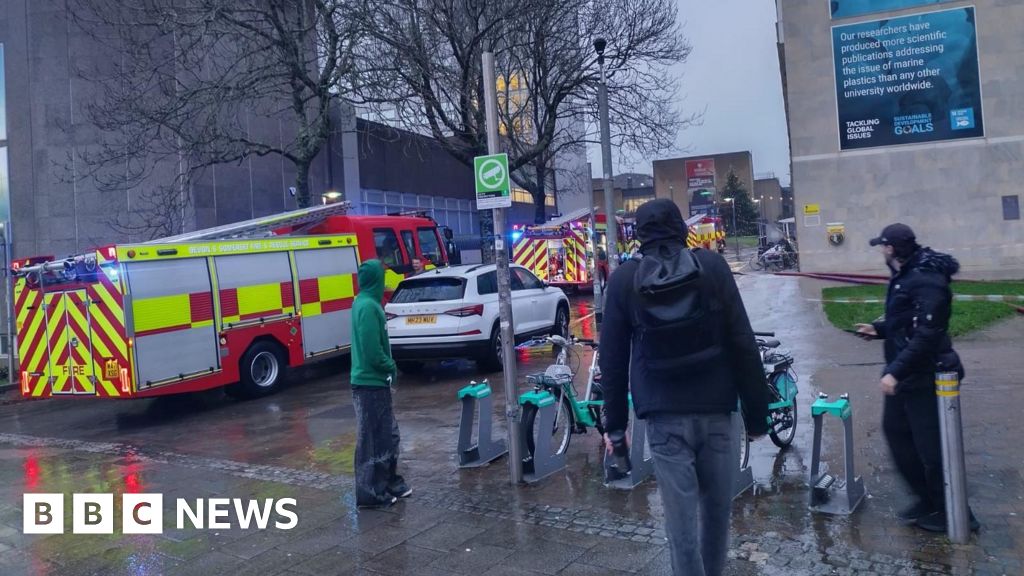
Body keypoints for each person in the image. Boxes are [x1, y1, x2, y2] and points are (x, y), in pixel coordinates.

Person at [599, 198, 771, 576]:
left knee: (681, 529)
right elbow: (743, 340)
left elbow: (612, 362)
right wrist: (757, 418)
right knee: (716, 516)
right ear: (682, 228)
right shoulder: (711, 267)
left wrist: (615, 427)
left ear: (638, 235)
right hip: (718, 413)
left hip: (663, 419)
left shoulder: (625, 281)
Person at [855, 223, 979, 533]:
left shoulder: (926, 278)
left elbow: (927, 333)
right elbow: (905, 319)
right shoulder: (907, 273)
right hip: (906, 375)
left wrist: (895, 371)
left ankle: (956, 512)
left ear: (892, 249)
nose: (881, 252)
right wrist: (879, 329)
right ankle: (928, 498)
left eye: (883, 246)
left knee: (933, 448)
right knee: (896, 433)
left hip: (928, 375)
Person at [350, 259, 412, 509]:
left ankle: (388, 483)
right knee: (373, 440)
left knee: (387, 436)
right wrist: (390, 365)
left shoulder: (364, 303)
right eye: (382, 277)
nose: (385, 282)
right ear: (375, 280)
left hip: (372, 382)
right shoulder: (368, 307)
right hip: (369, 384)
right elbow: (371, 350)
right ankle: (371, 494)